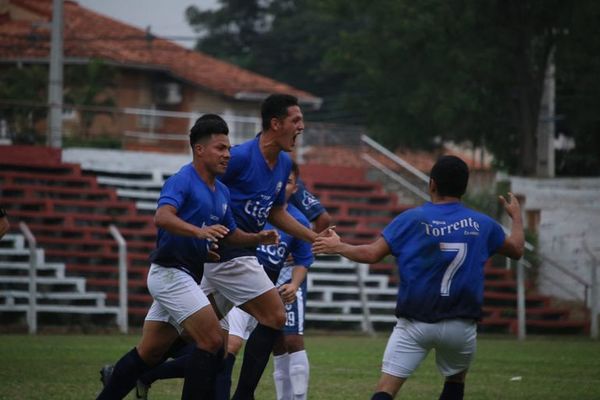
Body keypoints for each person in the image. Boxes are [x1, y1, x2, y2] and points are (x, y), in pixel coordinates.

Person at [96, 114, 278, 400]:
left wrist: (258, 237)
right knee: (213, 341)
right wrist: (198, 233)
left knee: (150, 353)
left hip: (185, 277)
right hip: (169, 273)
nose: (227, 155)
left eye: (229, 148)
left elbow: (230, 234)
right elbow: (163, 216)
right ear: (199, 149)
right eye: (220, 148)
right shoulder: (182, 180)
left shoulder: (222, 191)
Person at [313, 155, 524, 400]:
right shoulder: (483, 224)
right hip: (461, 324)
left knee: (385, 390)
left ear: (432, 184)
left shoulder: (412, 219)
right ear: (464, 188)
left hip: (416, 323)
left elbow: (371, 254)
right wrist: (516, 217)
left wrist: (339, 246)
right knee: (455, 380)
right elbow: (517, 250)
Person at [200, 94, 327, 400]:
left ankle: (136, 372)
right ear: (276, 124)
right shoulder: (241, 157)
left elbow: (276, 212)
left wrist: (314, 238)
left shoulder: (283, 163)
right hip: (224, 254)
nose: (302, 126)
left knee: (189, 336)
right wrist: (201, 232)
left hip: (241, 255)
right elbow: (205, 185)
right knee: (274, 317)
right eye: (296, 120)